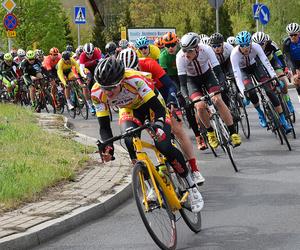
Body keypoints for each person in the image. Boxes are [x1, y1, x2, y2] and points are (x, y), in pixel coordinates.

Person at [91, 57, 204, 212]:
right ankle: (152, 185)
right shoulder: (97, 93)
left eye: (112, 87)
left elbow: (158, 109)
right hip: (129, 109)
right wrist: (108, 147)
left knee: (163, 144)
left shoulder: (134, 80)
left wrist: (157, 125)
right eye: (104, 87)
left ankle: (190, 185)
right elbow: (104, 126)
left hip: (151, 104)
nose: (108, 92)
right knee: (129, 141)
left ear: (122, 81)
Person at [118, 48, 205, 185]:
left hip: (160, 94)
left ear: (138, 66)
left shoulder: (149, 64)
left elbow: (170, 85)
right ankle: (160, 163)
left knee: (176, 128)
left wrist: (171, 100)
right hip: (138, 102)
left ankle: (194, 169)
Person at [176, 32, 242, 149]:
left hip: (208, 76)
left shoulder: (206, 49)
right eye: (184, 50)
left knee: (217, 100)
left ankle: (233, 133)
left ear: (197, 48)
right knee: (200, 106)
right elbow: (182, 83)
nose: (186, 54)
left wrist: (222, 84)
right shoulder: (180, 57)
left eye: (189, 51)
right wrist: (186, 97)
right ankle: (210, 132)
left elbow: (217, 70)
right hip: (192, 80)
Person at [231, 31, 292, 133]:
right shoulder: (234, 55)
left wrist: (274, 77)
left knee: (269, 89)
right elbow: (237, 75)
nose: (245, 48)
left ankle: (283, 120)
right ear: (238, 45)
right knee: (251, 92)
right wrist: (243, 91)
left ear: (251, 43)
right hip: (243, 71)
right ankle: (260, 113)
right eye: (242, 45)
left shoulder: (256, 47)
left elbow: (266, 62)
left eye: (247, 45)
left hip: (256, 66)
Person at [159, 31, 206, 150]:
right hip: (172, 78)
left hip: (187, 75)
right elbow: (165, 78)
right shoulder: (163, 56)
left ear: (177, 43)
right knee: (187, 105)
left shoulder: (184, 49)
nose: (170, 48)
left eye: (173, 45)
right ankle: (198, 136)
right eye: (167, 46)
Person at [252, 31, 294, 113]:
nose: (260, 46)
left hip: (272, 62)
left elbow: (280, 56)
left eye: (262, 43)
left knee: (282, 80)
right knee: (268, 86)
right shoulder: (252, 49)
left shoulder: (271, 44)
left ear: (266, 41)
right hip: (261, 66)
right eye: (258, 44)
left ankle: (288, 101)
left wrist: (285, 67)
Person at [79, 42, 102, 114]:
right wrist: (85, 77)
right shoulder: (82, 55)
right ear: (84, 52)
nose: (89, 55)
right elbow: (81, 69)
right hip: (86, 69)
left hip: (95, 67)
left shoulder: (96, 52)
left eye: (91, 53)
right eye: (87, 54)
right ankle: (90, 105)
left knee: (99, 79)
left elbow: (101, 63)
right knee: (86, 85)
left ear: (93, 51)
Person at [283, 22, 300, 101]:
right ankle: (299, 94)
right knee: (296, 80)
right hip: (294, 62)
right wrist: (292, 69)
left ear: (298, 33)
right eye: (291, 35)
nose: (293, 37)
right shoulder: (286, 43)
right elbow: (288, 58)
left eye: (295, 35)